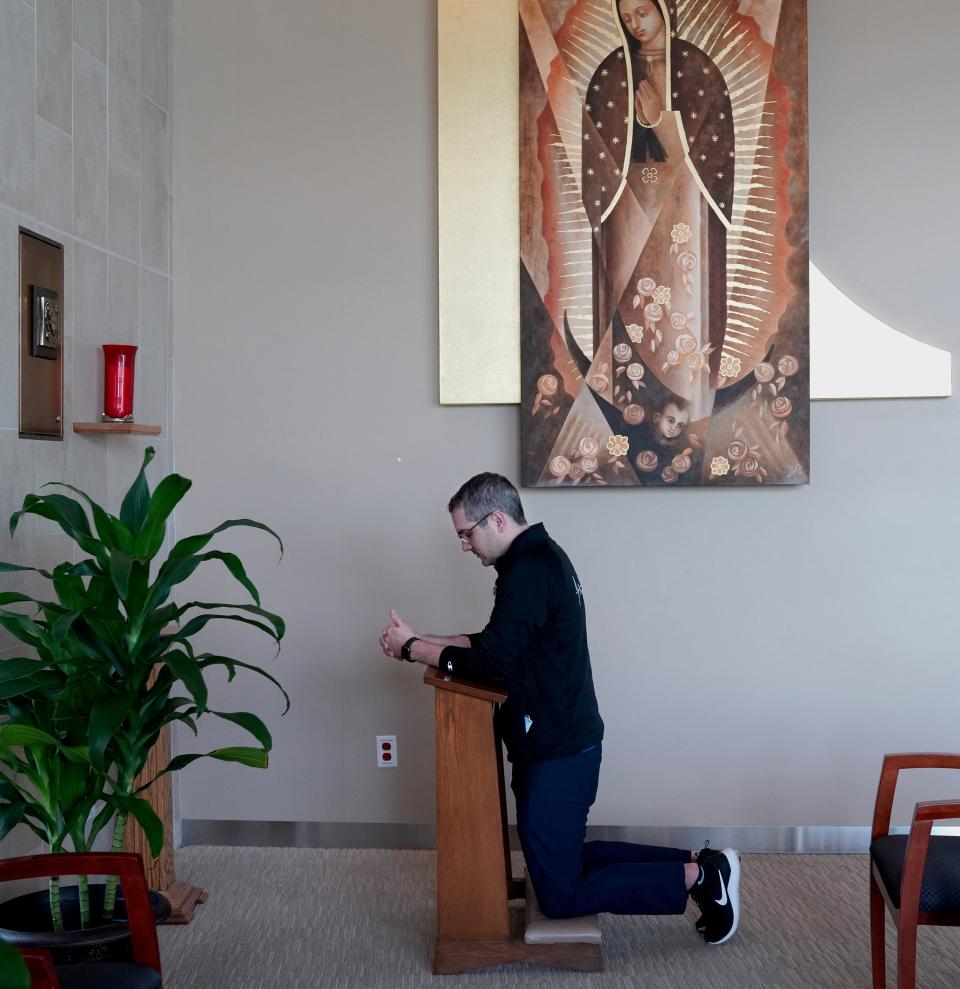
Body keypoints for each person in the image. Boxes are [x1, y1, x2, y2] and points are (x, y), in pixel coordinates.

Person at [379, 472, 740, 944]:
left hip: (560, 748)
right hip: (557, 740)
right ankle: (701, 864)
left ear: (497, 518)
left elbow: (490, 663)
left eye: (466, 533)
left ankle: (700, 879)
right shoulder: (533, 561)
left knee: (562, 894)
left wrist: (413, 651)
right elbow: (497, 642)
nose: (464, 545)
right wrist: (423, 640)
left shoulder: (531, 571)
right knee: (565, 857)